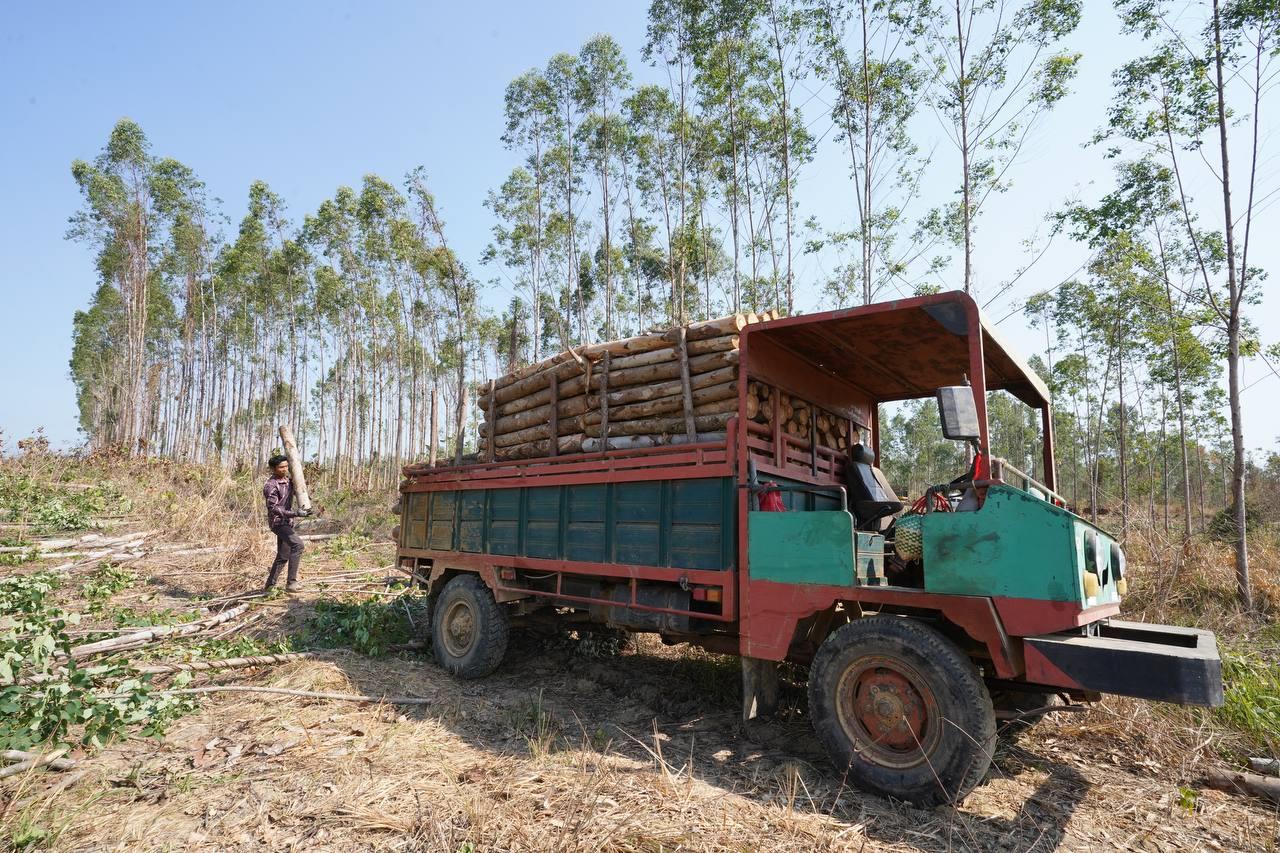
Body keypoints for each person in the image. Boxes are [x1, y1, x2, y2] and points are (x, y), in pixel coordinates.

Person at [263, 454, 311, 592]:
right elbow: (273, 508)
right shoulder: (271, 486)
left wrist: (305, 500)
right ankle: (291, 583)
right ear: (273, 469)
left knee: (283, 555)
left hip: (288, 522)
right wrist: (296, 513)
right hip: (278, 523)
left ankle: (269, 587)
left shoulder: (289, 481)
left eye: (286, 466)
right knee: (298, 545)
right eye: (281, 467)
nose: (284, 469)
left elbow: (299, 492)